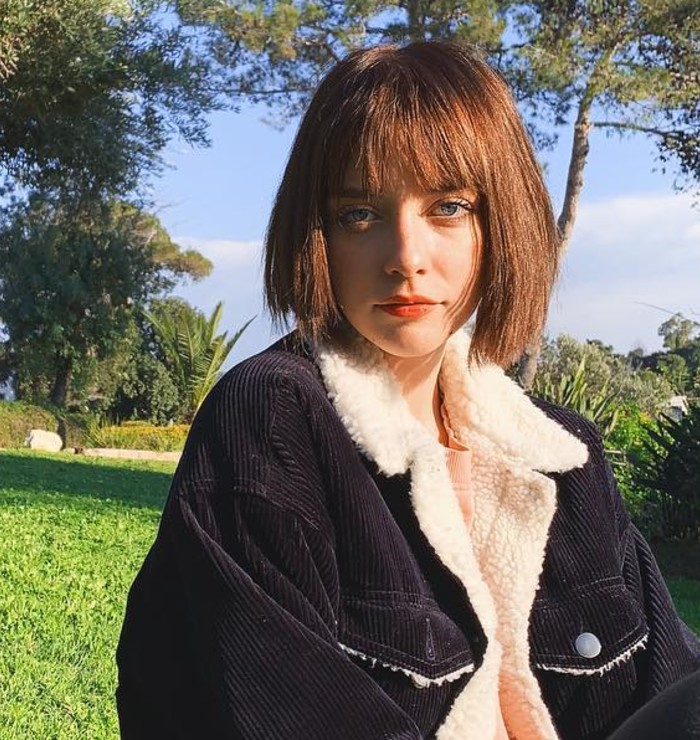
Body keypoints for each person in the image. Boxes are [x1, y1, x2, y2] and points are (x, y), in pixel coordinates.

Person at [116, 41, 700, 739]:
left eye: (448, 207)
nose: (405, 257)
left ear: (502, 224)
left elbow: (670, 687)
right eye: (360, 214)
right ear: (317, 232)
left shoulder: (564, 456)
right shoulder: (273, 419)